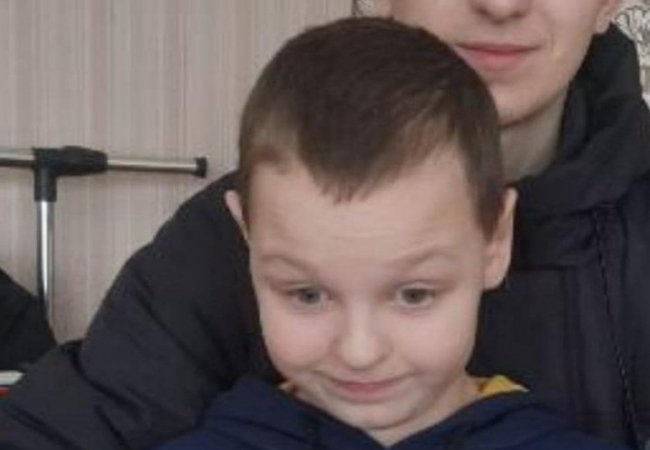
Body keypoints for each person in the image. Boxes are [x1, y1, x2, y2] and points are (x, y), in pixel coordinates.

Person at [1, 0, 648, 449]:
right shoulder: (210, 245)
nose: (501, 5)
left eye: (416, 292)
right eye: (306, 292)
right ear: (250, 237)